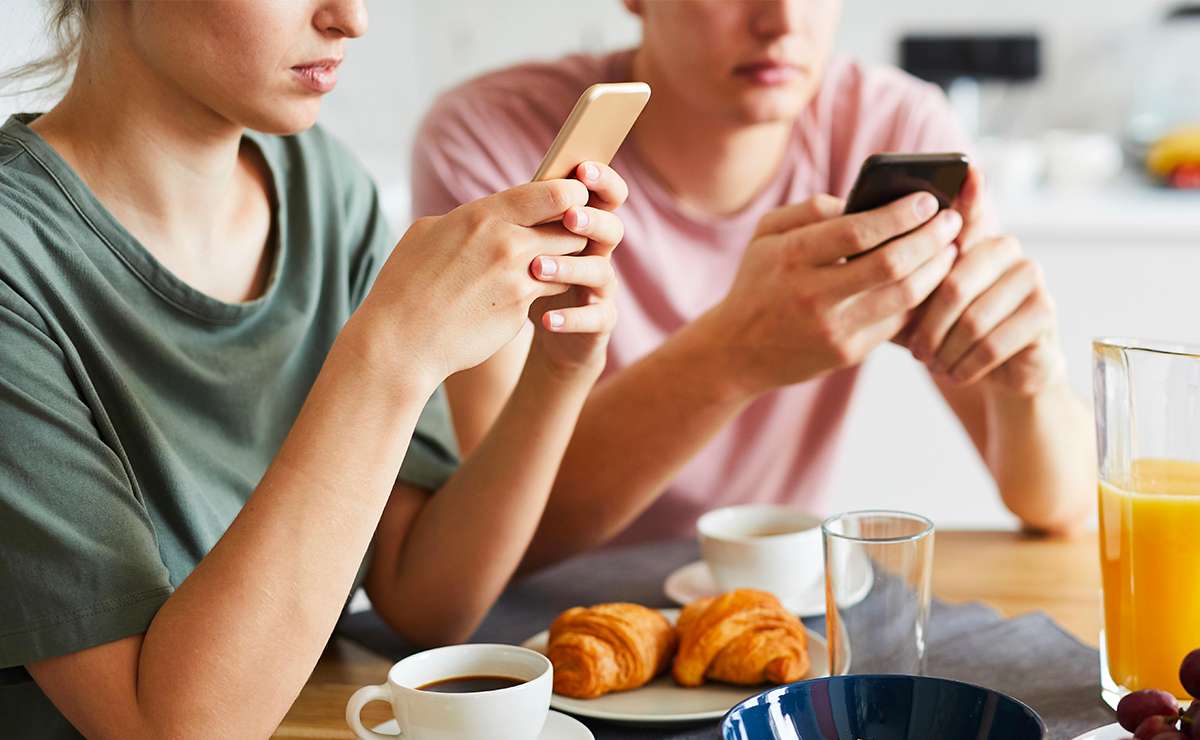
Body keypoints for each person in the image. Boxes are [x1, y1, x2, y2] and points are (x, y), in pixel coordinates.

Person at [0, 1, 630, 737]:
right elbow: (171, 729)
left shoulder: (324, 187)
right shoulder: (17, 260)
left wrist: (558, 373)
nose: (350, 19)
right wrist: (390, 353)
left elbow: (425, 598)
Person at [413, 0, 1094, 568]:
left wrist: (1030, 383)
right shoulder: (492, 138)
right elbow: (487, 543)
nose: (782, 21)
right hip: (539, 620)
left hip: (764, 596)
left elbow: (1059, 507)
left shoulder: (890, 125)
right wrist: (734, 354)